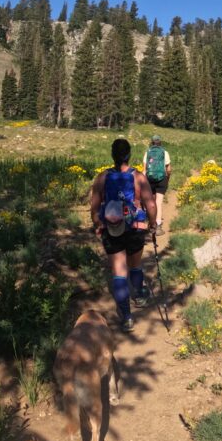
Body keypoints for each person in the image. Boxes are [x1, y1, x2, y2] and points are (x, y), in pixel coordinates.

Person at [90, 138, 158, 331]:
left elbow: (94, 207)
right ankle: (139, 294)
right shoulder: (138, 177)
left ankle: (127, 317)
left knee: (119, 272)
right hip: (135, 227)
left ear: (112, 155)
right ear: (129, 155)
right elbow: (151, 204)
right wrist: (152, 224)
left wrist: (98, 224)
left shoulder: (102, 178)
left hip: (112, 229)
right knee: (134, 264)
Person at [142, 134, 172, 235]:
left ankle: (150, 224)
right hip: (161, 179)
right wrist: (167, 178)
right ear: (160, 142)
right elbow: (168, 169)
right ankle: (158, 226)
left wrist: (144, 182)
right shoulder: (165, 152)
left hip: (149, 179)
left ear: (152, 142)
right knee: (158, 202)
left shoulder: (148, 152)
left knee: (150, 201)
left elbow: (144, 170)